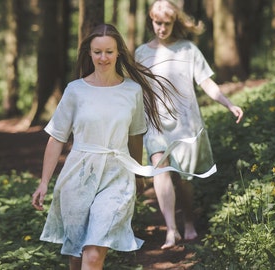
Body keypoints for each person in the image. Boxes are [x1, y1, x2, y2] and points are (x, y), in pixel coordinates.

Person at [31, 23, 177, 270]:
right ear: (89, 53)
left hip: (117, 174)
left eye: (109, 51)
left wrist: (137, 173)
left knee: (94, 254)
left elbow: (135, 137)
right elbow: (56, 137)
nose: (103, 57)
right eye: (97, 52)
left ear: (119, 51)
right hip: (78, 173)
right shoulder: (75, 90)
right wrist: (44, 182)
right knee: (77, 253)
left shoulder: (132, 91)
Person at [135, 0, 244, 250]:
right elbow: (134, 91)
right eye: (157, 22)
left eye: (167, 23)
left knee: (184, 180)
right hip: (155, 124)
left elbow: (206, 83)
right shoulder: (141, 53)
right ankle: (171, 230)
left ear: (175, 23)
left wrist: (228, 104)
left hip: (185, 124)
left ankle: (189, 221)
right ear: (151, 21)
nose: (161, 28)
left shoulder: (188, 50)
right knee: (160, 170)